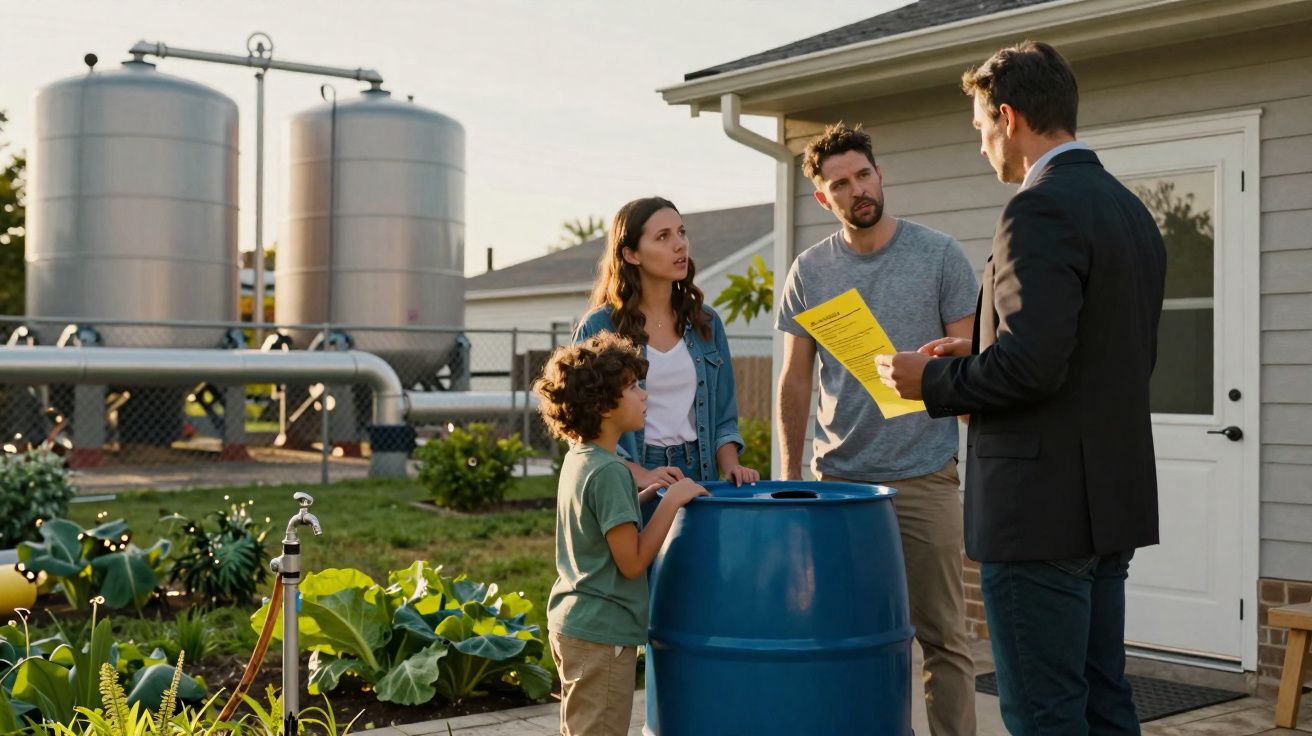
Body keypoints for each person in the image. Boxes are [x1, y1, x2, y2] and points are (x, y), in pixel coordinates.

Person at [876, 41, 1167, 735]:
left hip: (1041, 516)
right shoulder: (1130, 211)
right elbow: (1091, 357)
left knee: (1045, 714)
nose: (982, 148)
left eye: (980, 129)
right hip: (1107, 504)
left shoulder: (1036, 210)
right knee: (1103, 702)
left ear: (1008, 117)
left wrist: (934, 380)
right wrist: (977, 349)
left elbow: (1035, 366)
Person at [775, 123, 979, 736]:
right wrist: (789, 477)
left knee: (945, 637)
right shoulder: (810, 271)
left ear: (879, 174)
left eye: (863, 174)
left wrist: (952, 360)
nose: (856, 189)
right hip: (838, 482)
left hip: (924, 474)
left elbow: (975, 360)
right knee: (847, 635)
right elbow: (793, 381)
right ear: (823, 199)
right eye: (840, 183)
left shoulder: (939, 254)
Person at [534, 332, 708, 736]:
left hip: (574, 622)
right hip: (602, 634)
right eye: (632, 387)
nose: (643, 395)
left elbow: (596, 521)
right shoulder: (612, 471)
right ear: (602, 405)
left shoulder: (582, 459)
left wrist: (645, 495)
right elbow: (631, 563)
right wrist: (671, 502)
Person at [575, 196, 760, 488]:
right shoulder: (600, 327)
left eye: (682, 232)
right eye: (663, 237)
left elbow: (724, 418)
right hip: (632, 475)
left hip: (699, 472)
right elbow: (582, 426)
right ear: (632, 254)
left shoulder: (706, 323)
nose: (680, 244)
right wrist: (642, 475)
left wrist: (732, 467)